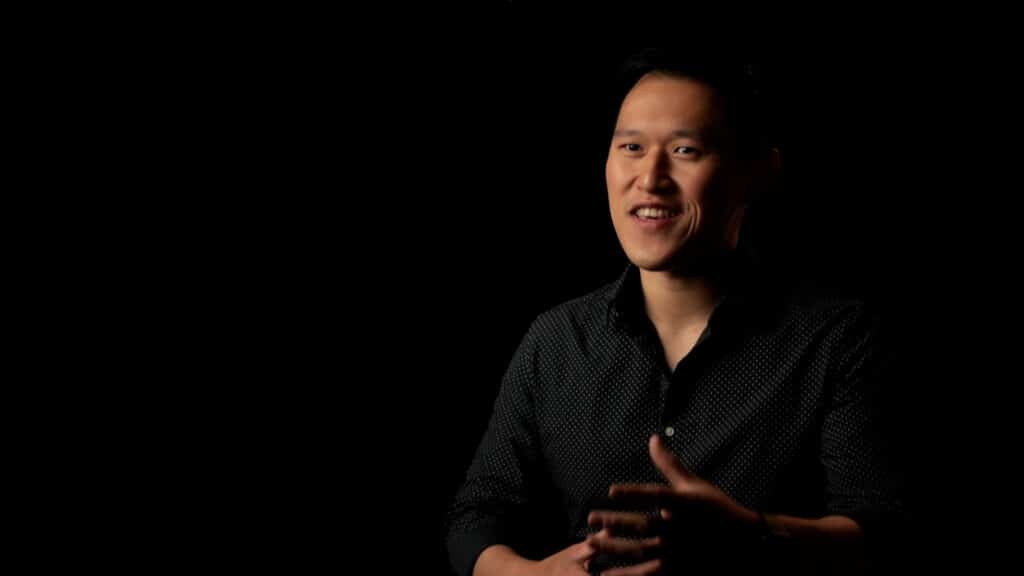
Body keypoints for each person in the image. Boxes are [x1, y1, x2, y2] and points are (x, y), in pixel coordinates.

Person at [446, 48, 903, 576]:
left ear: (759, 171)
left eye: (685, 150)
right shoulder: (556, 341)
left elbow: (884, 533)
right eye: (632, 148)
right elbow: (475, 515)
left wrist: (755, 536)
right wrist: (533, 574)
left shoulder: (837, 338)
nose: (650, 178)